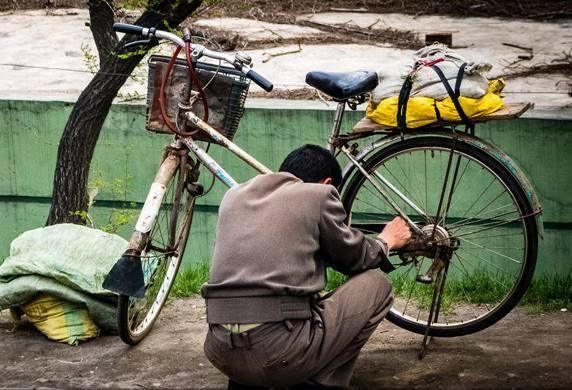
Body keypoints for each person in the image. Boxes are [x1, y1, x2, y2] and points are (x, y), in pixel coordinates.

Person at [201, 144, 411, 389]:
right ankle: (318, 383)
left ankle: (251, 377)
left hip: (219, 351)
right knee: (377, 285)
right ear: (327, 183)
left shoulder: (233, 196)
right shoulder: (318, 195)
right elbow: (355, 258)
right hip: (276, 356)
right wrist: (386, 241)